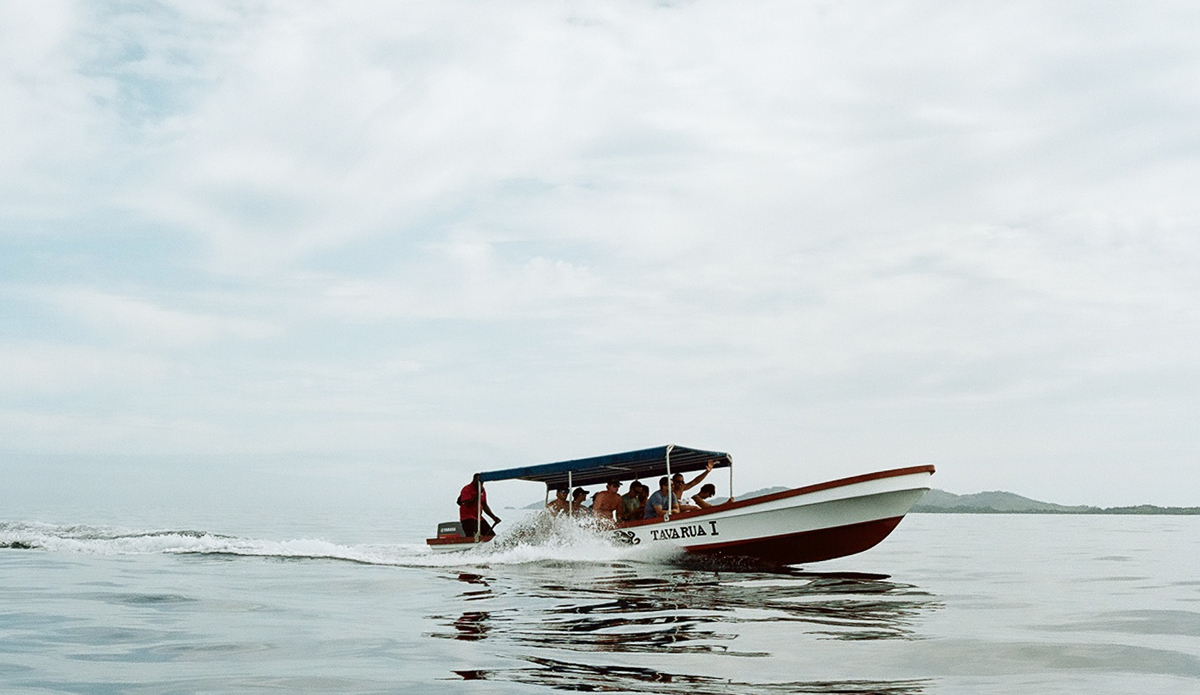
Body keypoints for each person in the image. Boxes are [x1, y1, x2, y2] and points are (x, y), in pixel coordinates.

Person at [458, 473, 501, 538]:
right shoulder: (467, 489)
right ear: (474, 480)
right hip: (467, 517)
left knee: (491, 536)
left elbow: (484, 505)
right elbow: (467, 503)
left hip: (478, 517)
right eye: (478, 481)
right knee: (472, 536)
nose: (480, 484)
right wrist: (478, 494)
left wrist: (493, 517)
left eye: (482, 482)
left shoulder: (482, 490)